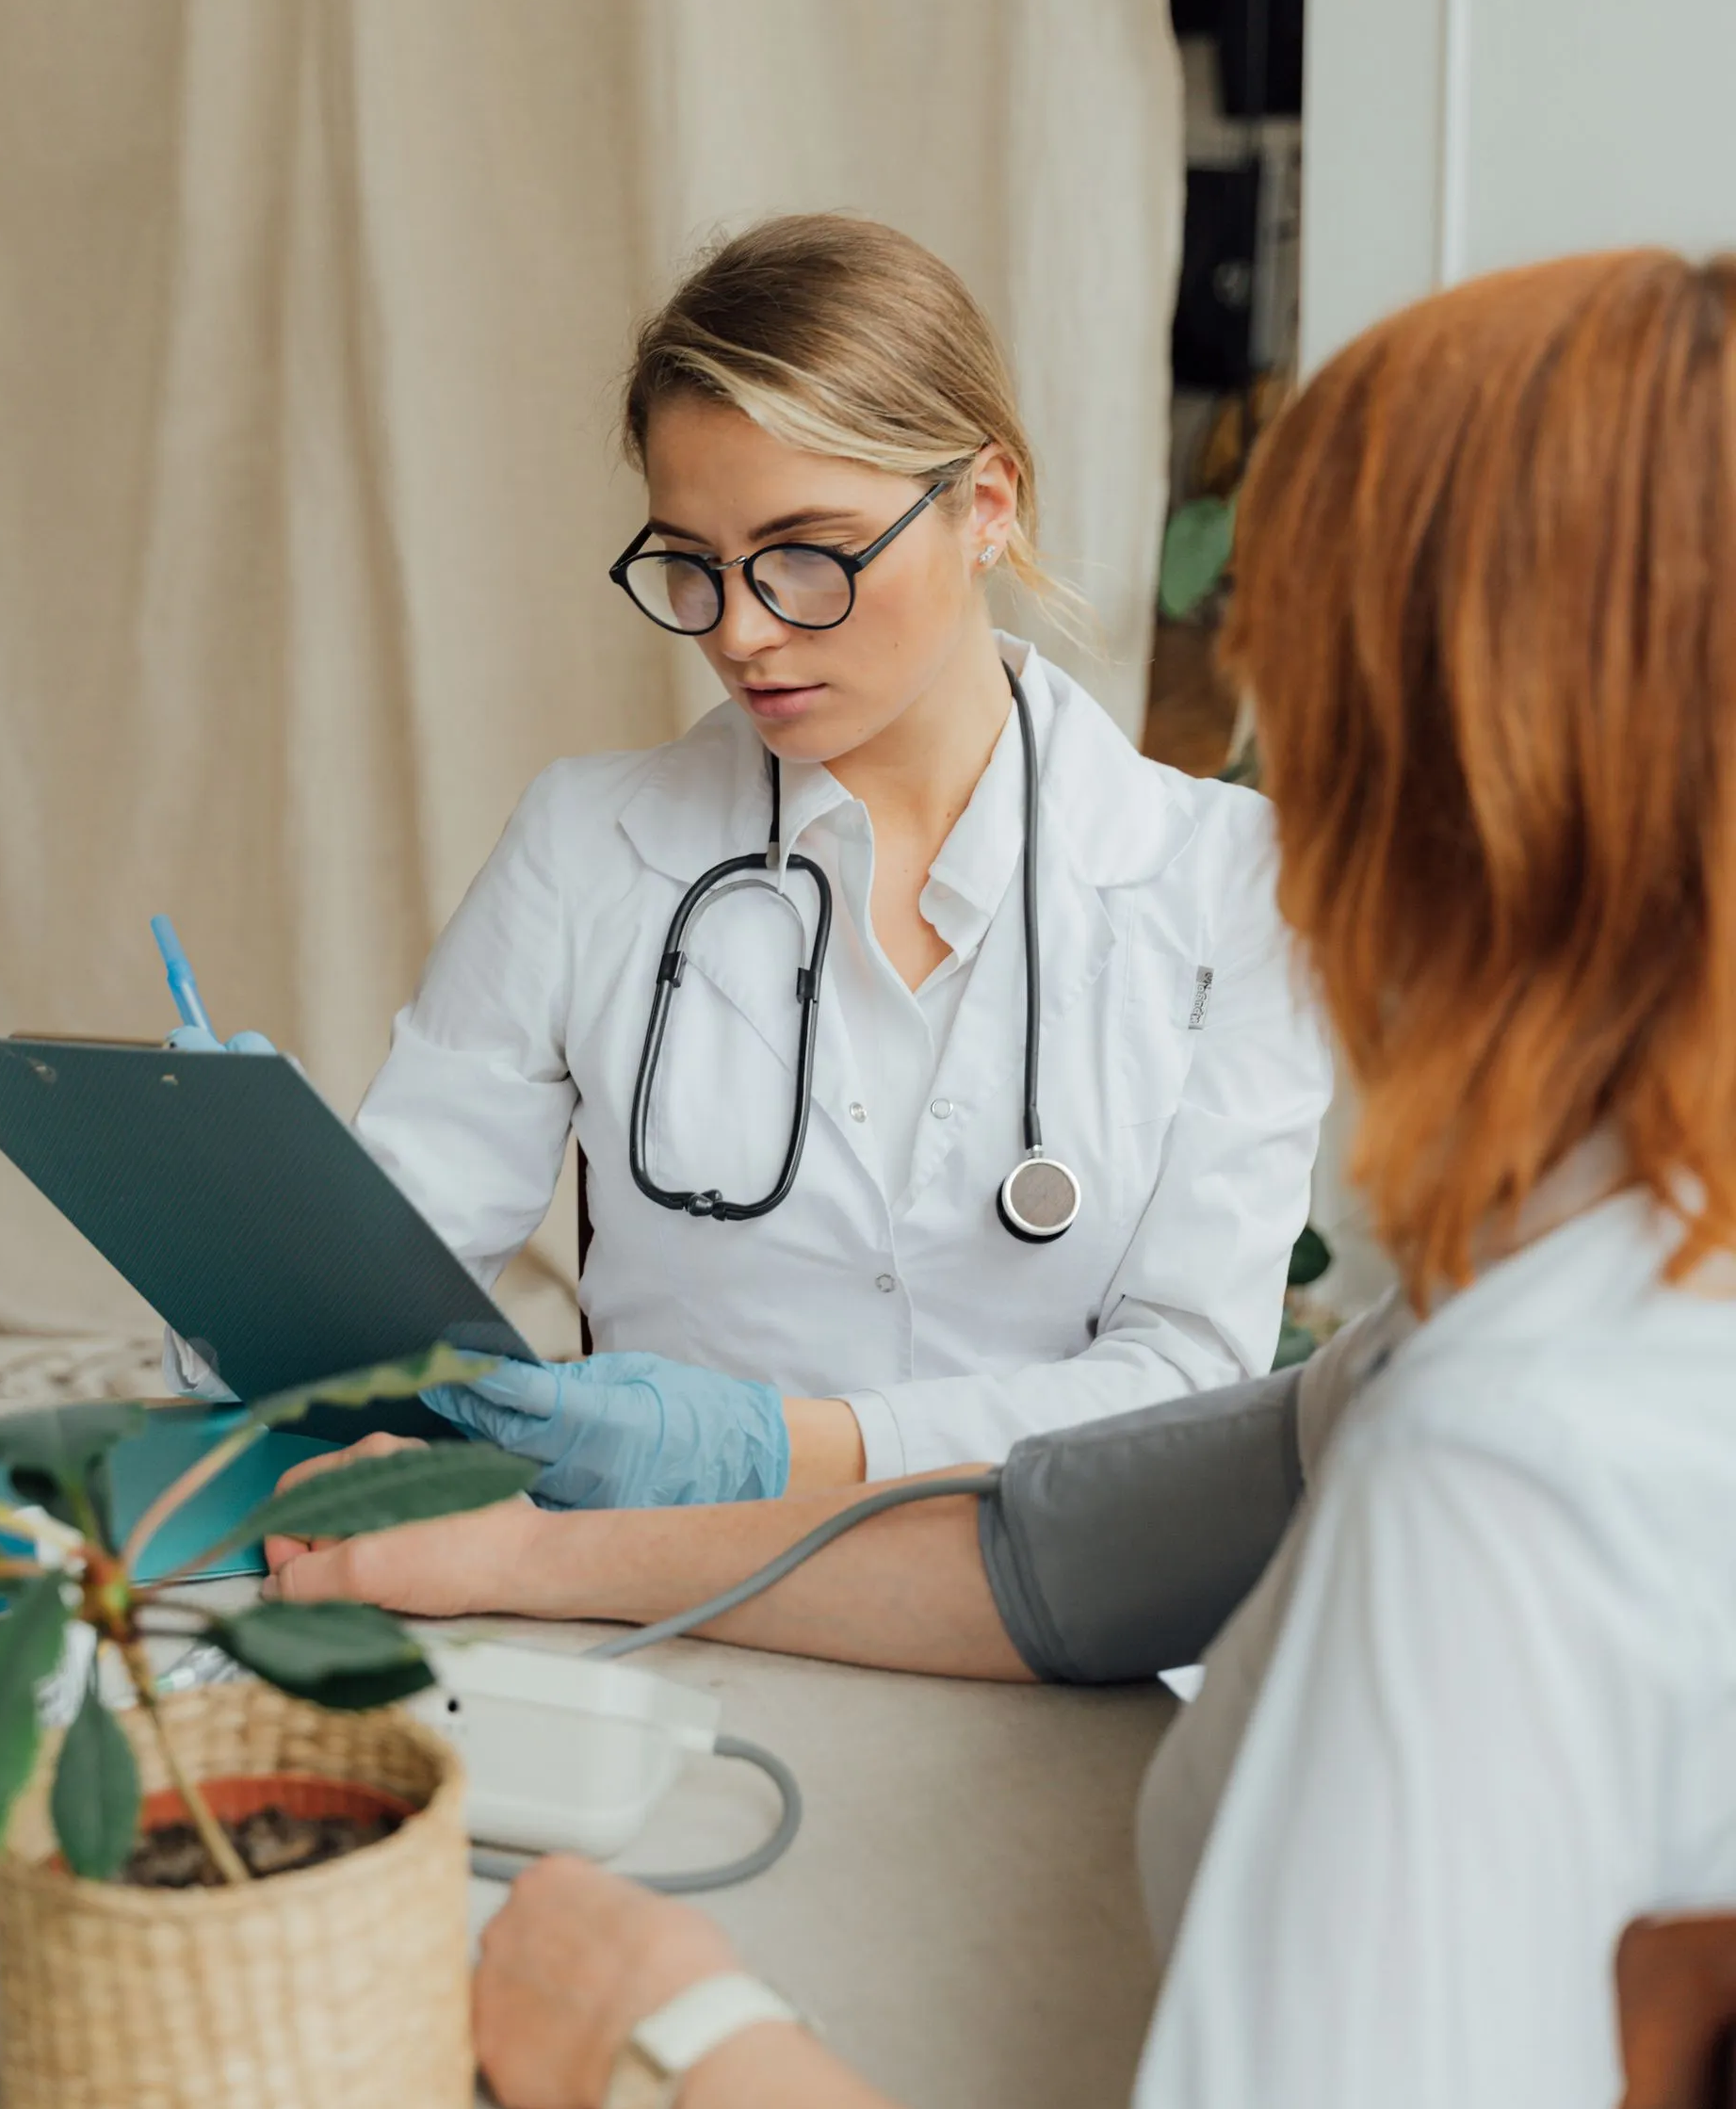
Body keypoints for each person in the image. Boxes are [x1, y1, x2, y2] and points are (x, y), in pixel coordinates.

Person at [272, 249, 1736, 2109]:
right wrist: (540, 1543)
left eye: (1300, 712)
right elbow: (1075, 1550)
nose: (1276, 806)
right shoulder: (1575, 1290)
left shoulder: (1516, 1463)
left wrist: (663, 2029)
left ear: (1470, 784)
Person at [348, 213, 1328, 1508]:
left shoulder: (1228, 882)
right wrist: (272, 1245)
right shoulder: (589, 846)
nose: (742, 629)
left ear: (983, 506)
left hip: (1045, 1623)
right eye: (691, 566)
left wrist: (783, 1447)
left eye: (804, 555)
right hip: (662, 1607)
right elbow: (366, 1300)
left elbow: (1188, 1379)